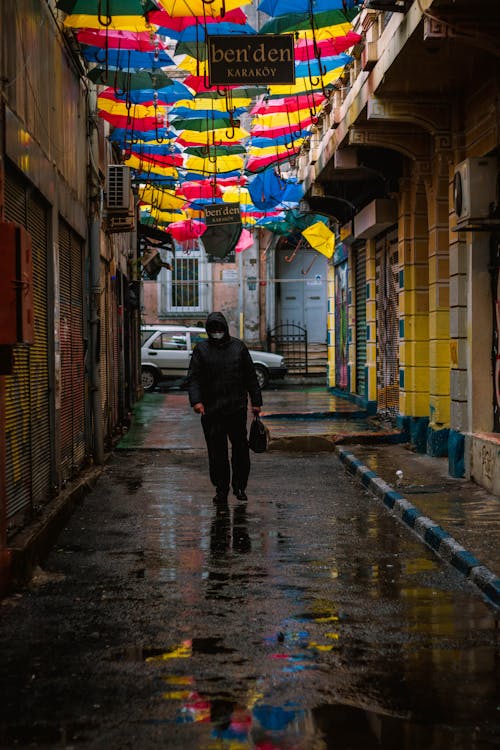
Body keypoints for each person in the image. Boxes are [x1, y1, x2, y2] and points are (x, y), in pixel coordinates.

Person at [187, 311, 262, 503]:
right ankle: (221, 489)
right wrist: (196, 401)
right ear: (208, 331)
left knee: (240, 451)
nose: (217, 332)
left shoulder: (238, 348)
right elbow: (194, 378)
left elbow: (250, 377)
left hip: (236, 409)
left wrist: (256, 402)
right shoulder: (201, 350)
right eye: (213, 329)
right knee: (217, 453)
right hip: (212, 412)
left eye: (219, 329)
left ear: (225, 329)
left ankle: (239, 486)